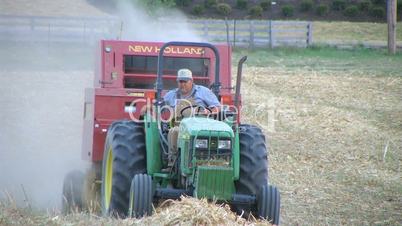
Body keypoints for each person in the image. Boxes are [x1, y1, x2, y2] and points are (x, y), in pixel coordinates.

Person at [163, 68, 221, 167]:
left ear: (191, 81)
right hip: (180, 126)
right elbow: (159, 106)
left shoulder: (203, 92)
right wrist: (150, 107)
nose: (182, 84)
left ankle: (215, 160)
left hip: (201, 125)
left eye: (185, 81)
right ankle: (173, 164)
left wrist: (208, 111)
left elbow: (217, 107)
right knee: (174, 131)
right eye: (180, 81)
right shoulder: (171, 95)